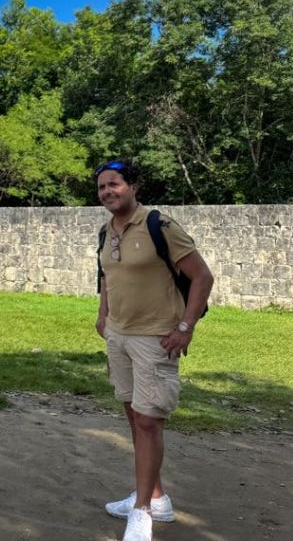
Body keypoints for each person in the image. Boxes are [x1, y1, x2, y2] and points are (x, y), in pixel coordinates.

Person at [94, 160, 214, 541]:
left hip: (154, 337)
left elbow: (202, 276)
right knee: (134, 417)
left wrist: (186, 326)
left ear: (133, 187)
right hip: (119, 335)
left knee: (148, 421)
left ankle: (142, 512)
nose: (107, 192)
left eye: (114, 184)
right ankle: (155, 496)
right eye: (101, 188)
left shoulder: (159, 226)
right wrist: (103, 316)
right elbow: (107, 277)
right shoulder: (105, 231)